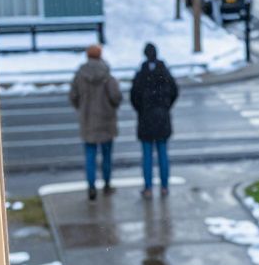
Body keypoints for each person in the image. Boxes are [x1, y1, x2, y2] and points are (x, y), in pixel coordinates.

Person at [69, 44, 122, 201]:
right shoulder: (107, 75)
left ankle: (91, 187)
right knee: (106, 155)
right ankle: (106, 184)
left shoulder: (80, 75)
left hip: (88, 121)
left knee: (90, 156)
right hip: (106, 120)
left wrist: (82, 108)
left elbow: (73, 96)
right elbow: (116, 96)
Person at [129, 42, 178, 197]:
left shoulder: (142, 73)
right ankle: (164, 186)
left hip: (146, 117)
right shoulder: (164, 71)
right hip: (162, 117)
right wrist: (165, 107)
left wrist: (142, 109)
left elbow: (134, 95)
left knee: (147, 155)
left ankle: (148, 187)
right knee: (163, 153)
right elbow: (174, 91)